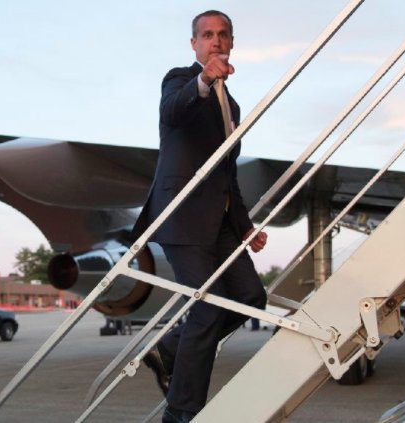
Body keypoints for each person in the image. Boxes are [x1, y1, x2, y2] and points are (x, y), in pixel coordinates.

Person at [132, 10, 267, 423]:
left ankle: (171, 349)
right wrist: (204, 80)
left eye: (223, 34)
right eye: (207, 35)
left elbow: (227, 173)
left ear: (232, 42)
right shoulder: (180, 81)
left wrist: (245, 226)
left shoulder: (232, 105)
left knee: (250, 298)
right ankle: (181, 413)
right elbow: (174, 112)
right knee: (208, 309)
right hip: (183, 216)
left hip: (221, 223)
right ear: (194, 44)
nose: (216, 41)